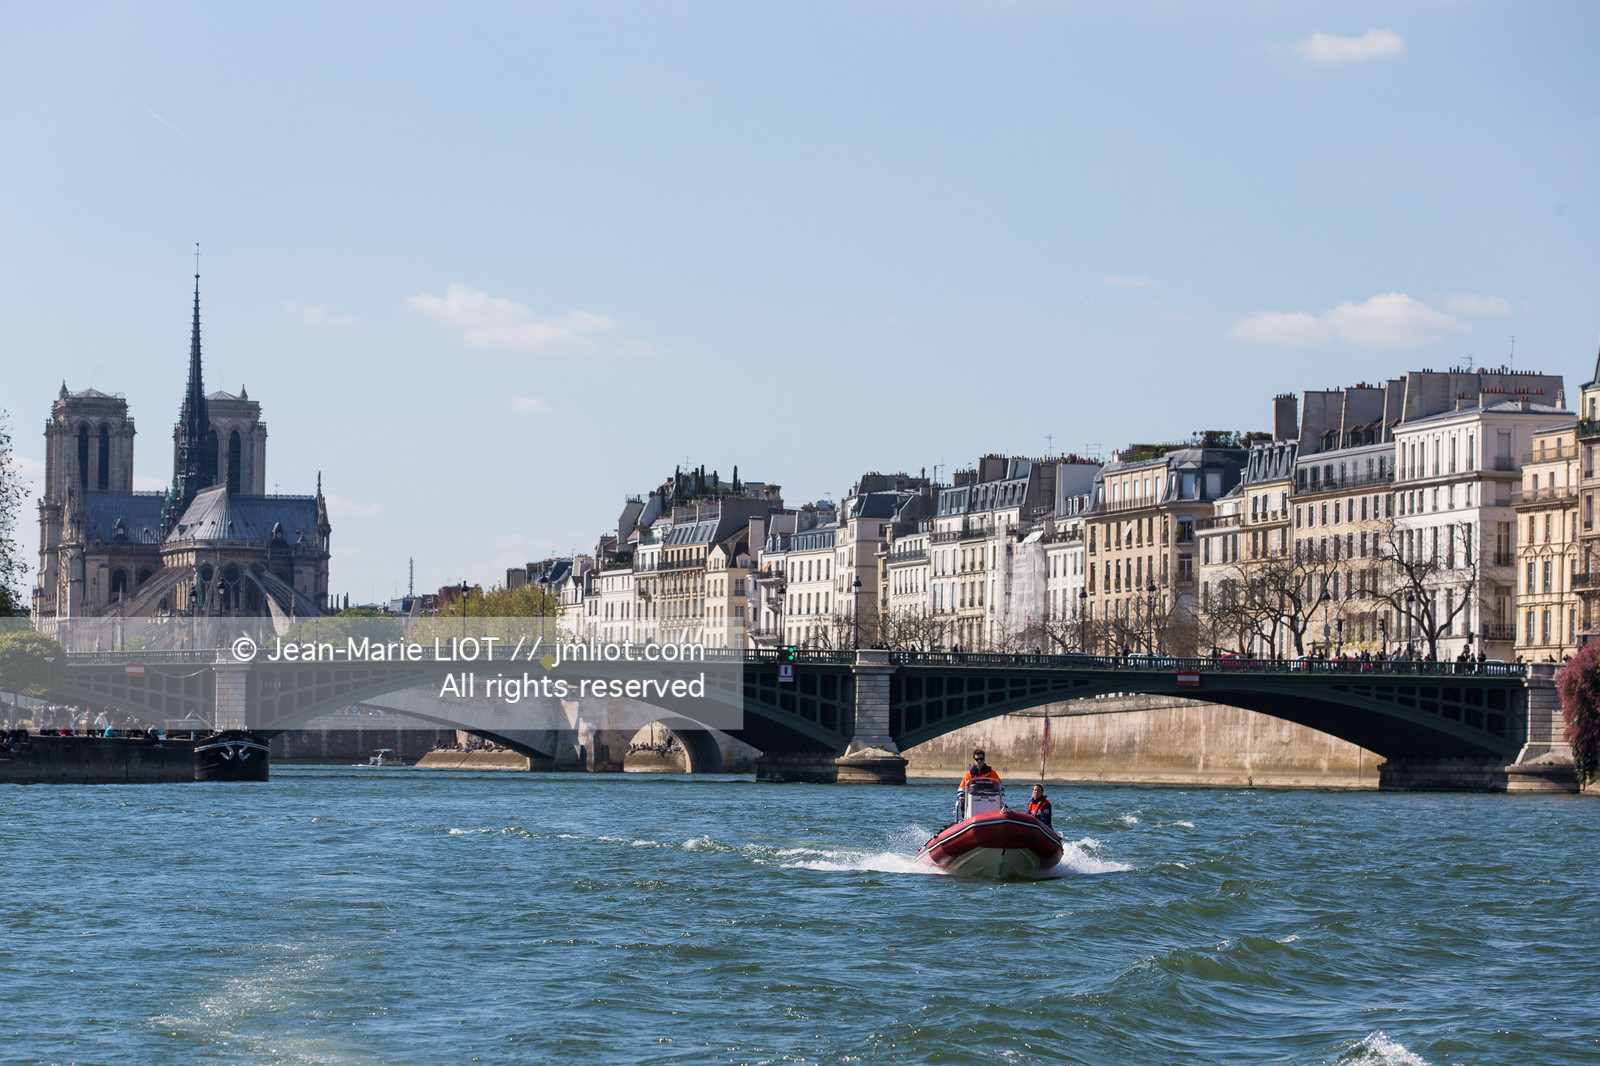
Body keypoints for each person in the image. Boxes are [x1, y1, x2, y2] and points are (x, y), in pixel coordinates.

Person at [955, 748, 1000, 821]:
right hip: (973, 803)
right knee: (963, 802)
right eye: (977, 759)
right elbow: (961, 790)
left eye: (981, 759)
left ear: (984, 760)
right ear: (974, 761)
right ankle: (966, 820)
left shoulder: (992, 774)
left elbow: (1000, 788)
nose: (979, 761)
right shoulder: (969, 775)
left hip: (990, 802)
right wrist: (960, 797)